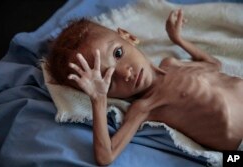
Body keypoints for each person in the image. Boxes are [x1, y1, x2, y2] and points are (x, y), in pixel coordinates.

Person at [46, 9, 243, 165]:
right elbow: (105, 157)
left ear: (128, 36)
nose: (125, 73)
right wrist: (98, 99)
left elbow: (213, 65)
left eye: (117, 53)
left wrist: (179, 40)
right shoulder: (145, 107)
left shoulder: (172, 63)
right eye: (108, 78)